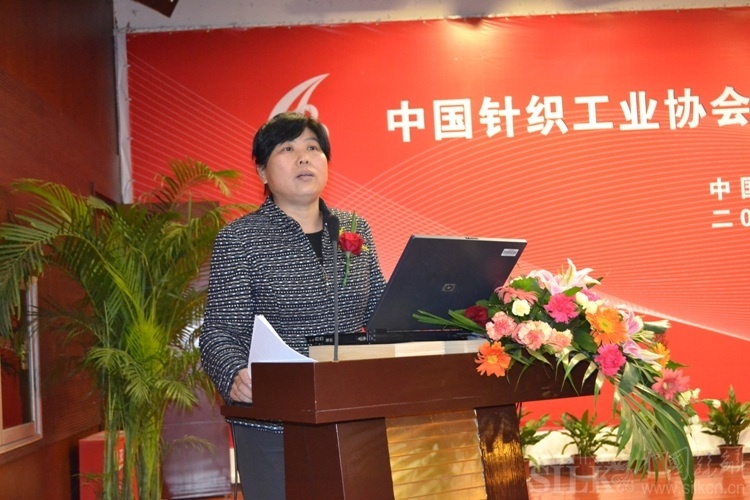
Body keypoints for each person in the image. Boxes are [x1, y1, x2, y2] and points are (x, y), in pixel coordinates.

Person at [199, 111, 386, 499]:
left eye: (313, 148)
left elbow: (377, 313)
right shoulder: (240, 239)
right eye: (287, 149)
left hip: (353, 412)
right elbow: (220, 332)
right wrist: (233, 374)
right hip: (274, 422)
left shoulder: (354, 228)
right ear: (262, 172)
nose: (304, 157)